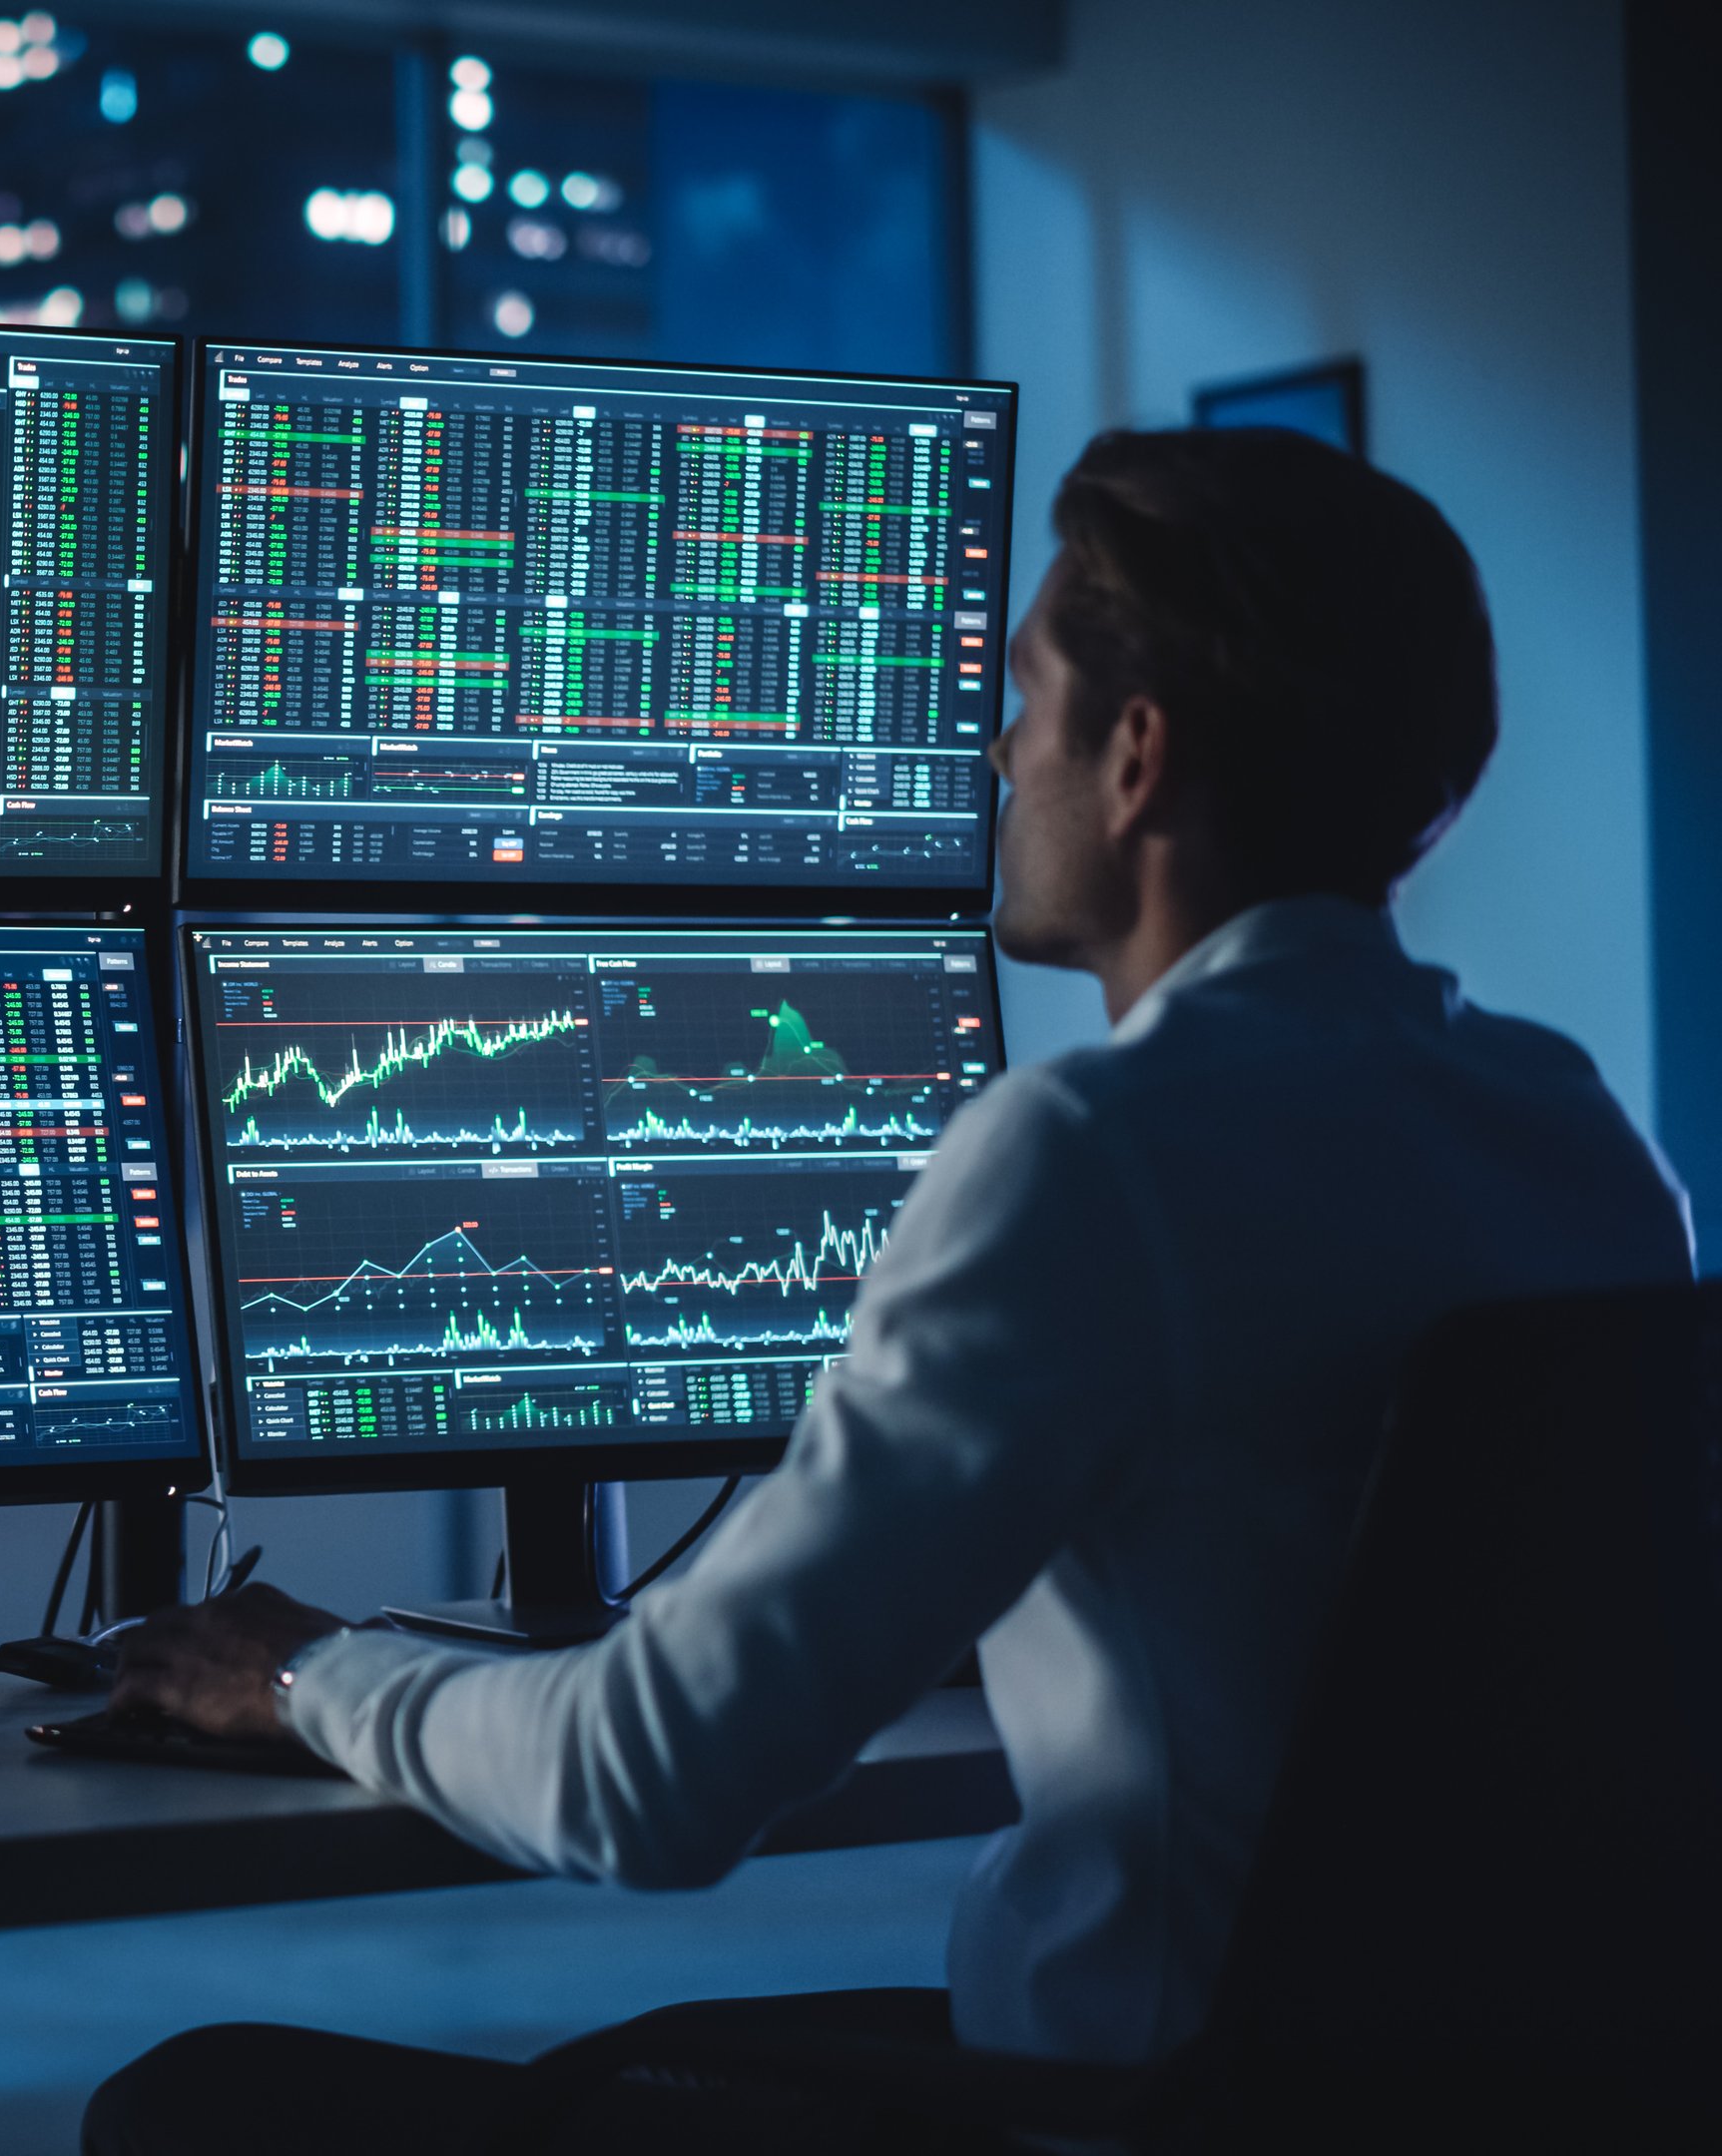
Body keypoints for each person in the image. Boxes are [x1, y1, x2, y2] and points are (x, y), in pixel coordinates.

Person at [87, 428, 1693, 2154]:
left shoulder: (1093, 1151)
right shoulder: (1573, 1128)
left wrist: (317, 1673)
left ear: (1135, 757)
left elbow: (649, 1784)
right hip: (1496, 2105)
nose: (1001, 754)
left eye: (1026, 695)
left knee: (194, 2101)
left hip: (1133, 2110)